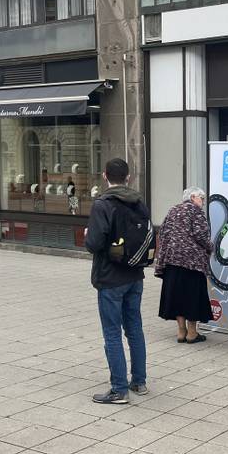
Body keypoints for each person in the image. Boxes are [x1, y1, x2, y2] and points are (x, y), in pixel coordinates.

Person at [84, 159, 149, 404]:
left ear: (105, 176)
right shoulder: (139, 202)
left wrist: (89, 235)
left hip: (111, 278)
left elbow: (94, 244)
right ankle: (139, 382)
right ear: (128, 177)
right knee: (134, 328)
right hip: (135, 275)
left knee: (112, 333)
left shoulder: (103, 204)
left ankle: (119, 389)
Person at [155, 187, 214, 344]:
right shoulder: (195, 211)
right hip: (192, 262)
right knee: (192, 296)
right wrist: (210, 247)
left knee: (177, 296)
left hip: (172, 261)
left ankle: (181, 331)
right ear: (193, 197)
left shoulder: (173, 210)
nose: (202, 202)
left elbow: (162, 232)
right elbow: (201, 235)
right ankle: (192, 332)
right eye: (202, 198)